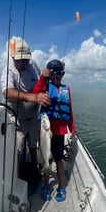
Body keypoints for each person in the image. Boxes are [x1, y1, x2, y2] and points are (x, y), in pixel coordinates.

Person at [1, 38, 50, 172]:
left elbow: (40, 84)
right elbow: (7, 92)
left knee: (34, 144)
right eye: (19, 60)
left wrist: (46, 78)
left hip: (33, 115)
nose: (23, 63)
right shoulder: (8, 70)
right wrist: (33, 97)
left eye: (26, 60)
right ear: (13, 57)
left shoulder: (33, 65)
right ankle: (16, 174)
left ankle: (35, 169)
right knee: (18, 147)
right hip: (17, 118)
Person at [33, 59, 76, 202]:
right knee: (47, 158)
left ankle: (61, 187)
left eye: (59, 73)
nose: (55, 76)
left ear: (62, 74)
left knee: (58, 159)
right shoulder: (45, 86)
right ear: (49, 74)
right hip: (46, 130)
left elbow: (69, 109)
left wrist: (72, 128)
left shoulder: (66, 89)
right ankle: (46, 184)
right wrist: (42, 78)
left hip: (60, 131)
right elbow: (35, 92)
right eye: (52, 74)